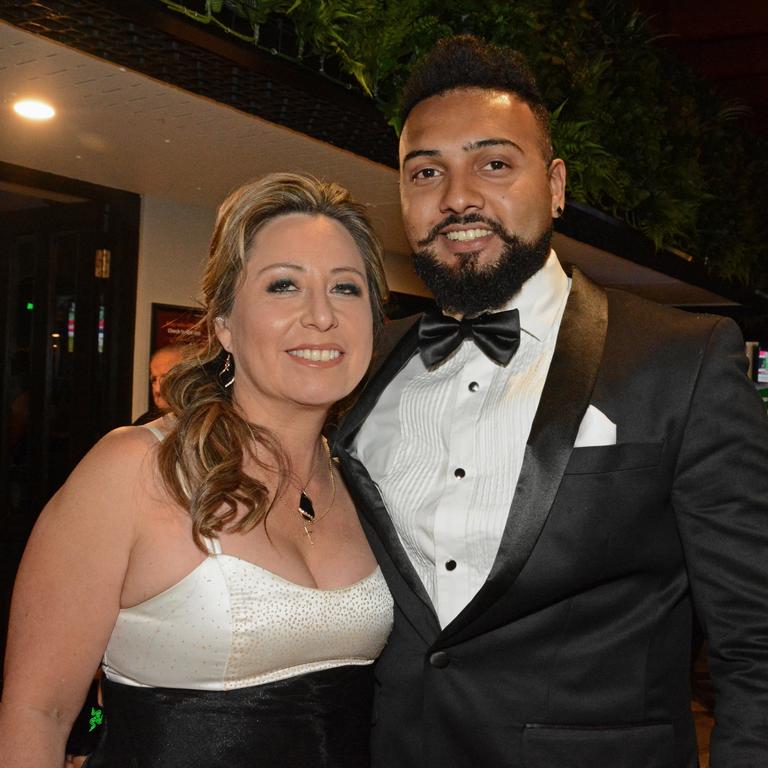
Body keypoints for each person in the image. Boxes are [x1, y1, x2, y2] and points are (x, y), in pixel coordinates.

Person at [334, 35, 768, 768]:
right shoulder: (361, 361)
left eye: (494, 163)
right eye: (426, 172)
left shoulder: (683, 358)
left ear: (557, 184)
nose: (458, 196)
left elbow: (755, 638)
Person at [0, 172, 393, 768]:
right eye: (284, 285)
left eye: (346, 288)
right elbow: (38, 712)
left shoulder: (365, 483)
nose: (321, 315)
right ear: (224, 325)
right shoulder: (136, 467)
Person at [132, 344, 185, 425]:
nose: (157, 389)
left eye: (166, 379)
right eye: (154, 380)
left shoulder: (206, 424)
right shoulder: (143, 424)